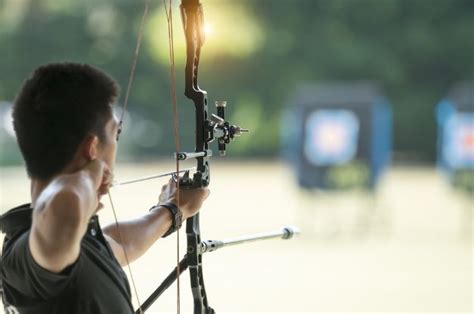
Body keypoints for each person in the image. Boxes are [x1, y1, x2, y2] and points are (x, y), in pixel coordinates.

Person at [0, 62, 210, 314]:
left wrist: (171, 209)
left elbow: (119, 244)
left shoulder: (71, 247)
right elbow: (64, 207)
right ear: (92, 147)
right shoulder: (32, 255)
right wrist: (94, 169)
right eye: (115, 133)